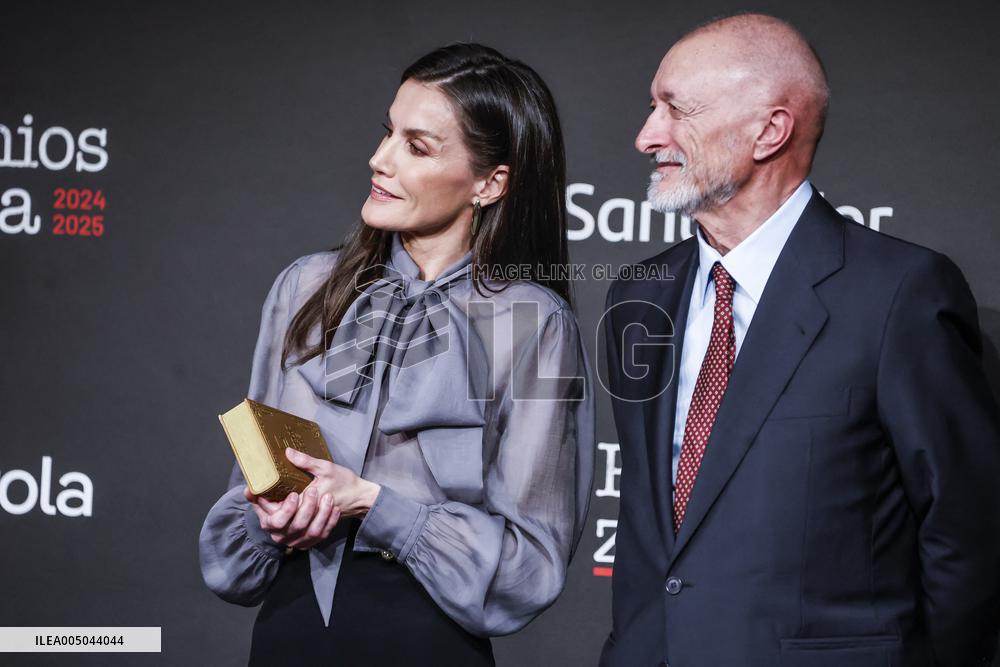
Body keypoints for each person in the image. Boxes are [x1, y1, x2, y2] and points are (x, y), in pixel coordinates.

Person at [600, 13, 1000, 667]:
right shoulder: (638, 296)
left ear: (770, 130)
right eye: (651, 107)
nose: (648, 135)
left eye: (675, 109)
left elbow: (967, 538)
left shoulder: (898, 294)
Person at [199, 43, 594, 666]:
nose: (378, 160)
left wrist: (375, 505)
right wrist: (268, 520)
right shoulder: (305, 287)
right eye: (388, 133)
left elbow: (531, 564)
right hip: (289, 633)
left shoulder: (532, 322)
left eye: (417, 146)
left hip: (427, 644)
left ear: (490, 183)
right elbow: (237, 544)